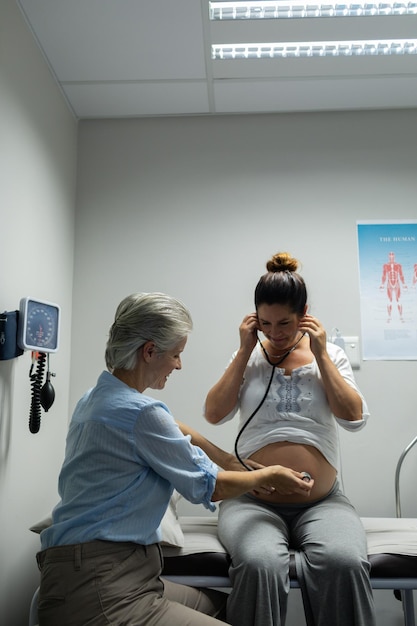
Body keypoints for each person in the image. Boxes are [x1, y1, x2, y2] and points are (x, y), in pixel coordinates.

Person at [36, 292, 314, 626]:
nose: (179, 365)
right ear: (149, 351)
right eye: (176, 354)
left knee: (238, 610)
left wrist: (228, 458)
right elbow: (211, 487)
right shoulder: (141, 413)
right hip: (100, 587)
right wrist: (268, 475)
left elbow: (173, 428)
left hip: (108, 575)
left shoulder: (98, 398)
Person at [204, 252, 376, 626]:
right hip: (252, 501)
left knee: (344, 562)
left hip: (322, 503)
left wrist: (322, 357)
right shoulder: (247, 355)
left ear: (305, 315)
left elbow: (354, 418)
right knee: (260, 563)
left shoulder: (329, 355)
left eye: (284, 322)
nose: (275, 333)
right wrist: (246, 350)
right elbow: (214, 414)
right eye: (264, 323)